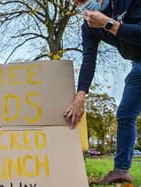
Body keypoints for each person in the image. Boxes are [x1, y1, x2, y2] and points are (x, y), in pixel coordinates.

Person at [64, 0, 141, 184]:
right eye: (76, 3)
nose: (81, 5)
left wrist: (109, 24)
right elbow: (88, 59)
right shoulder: (90, 27)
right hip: (138, 63)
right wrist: (80, 95)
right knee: (125, 113)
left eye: (82, 0)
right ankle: (121, 170)